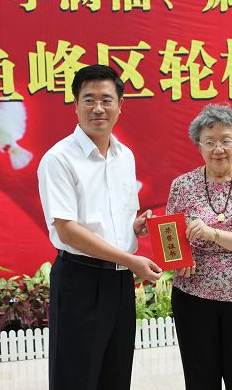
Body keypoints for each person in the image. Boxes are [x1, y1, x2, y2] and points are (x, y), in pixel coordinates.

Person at [37, 64, 162, 390]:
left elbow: (113, 218)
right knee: (76, 379)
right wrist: (130, 260)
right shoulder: (59, 159)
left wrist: (135, 227)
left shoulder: (125, 156)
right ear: (75, 105)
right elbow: (68, 229)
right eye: (89, 99)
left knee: (115, 376)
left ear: (120, 105)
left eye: (106, 100)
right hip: (80, 280)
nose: (98, 108)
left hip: (119, 284)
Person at [166, 103, 232, 390]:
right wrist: (179, 260)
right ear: (198, 145)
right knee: (200, 381)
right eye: (209, 141)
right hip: (193, 296)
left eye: (226, 140)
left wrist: (213, 234)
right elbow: (170, 238)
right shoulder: (182, 185)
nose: (218, 149)